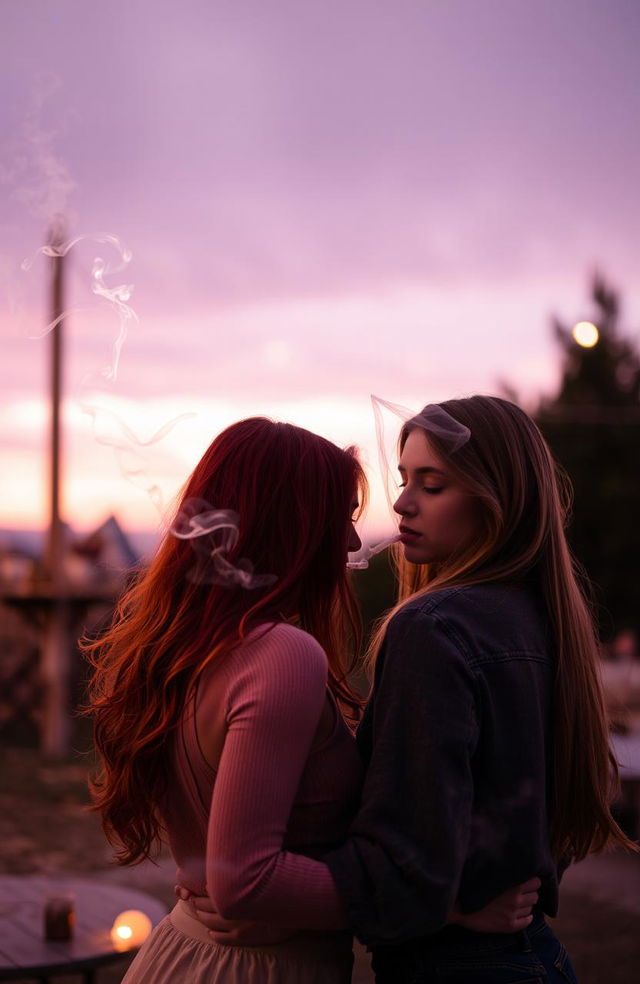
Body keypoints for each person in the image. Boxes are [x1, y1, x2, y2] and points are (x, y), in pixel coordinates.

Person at [82, 415, 537, 984]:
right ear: (291, 525)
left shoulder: (190, 649)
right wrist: (448, 904)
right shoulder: (283, 655)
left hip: (189, 951)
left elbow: (221, 862)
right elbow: (244, 880)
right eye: (341, 518)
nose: (352, 540)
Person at [316, 395, 636, 983]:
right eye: (404, 478)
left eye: (432, 485)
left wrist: (257, 879)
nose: (402, 501)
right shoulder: (545, 619)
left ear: (497, 501)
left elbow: (404, 863)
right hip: (533, 955)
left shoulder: (433, 629)